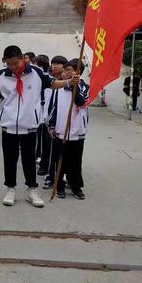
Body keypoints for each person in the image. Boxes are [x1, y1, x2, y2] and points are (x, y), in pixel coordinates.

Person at [0, 46, 79, 208]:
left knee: (29, 159)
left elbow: (52, 83)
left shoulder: (35, 72)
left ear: (22, 58)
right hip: (8, 126)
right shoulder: (1, 75)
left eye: (15, 63)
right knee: (10, 159)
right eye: (9, 64)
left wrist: (69, 82)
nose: (13, 67)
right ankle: (11, 189)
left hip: (29, 126)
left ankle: (31, 190)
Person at [48, 59, 89, 199]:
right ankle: (59, 185)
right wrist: (51, 126)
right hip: (61, 130)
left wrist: (73, 86)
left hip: (77, 132)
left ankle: (76, 186)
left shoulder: (85, 87)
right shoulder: (59, 88)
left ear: (79, 73)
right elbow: (52, 108)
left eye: (71, 70)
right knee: (60, 160)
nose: (67, 73)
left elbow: (81, 101)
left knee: (76, 161)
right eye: (66, 70)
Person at [43, 55, 68, 188]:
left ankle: (62, 176)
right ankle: (50, 175)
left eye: (59, 64)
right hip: (48, 120)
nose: (55, 66)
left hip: (62, 123)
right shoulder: (47, 80)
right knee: (50, 151)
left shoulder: (68, 84)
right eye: (53, 63)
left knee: (62, 152)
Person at [34, 55, 52, 175]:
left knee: (42, 138)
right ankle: (39, 157)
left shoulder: (46, 79)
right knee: (40, 137)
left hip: (43, 112)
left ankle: (41, 158)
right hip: (39, 111)